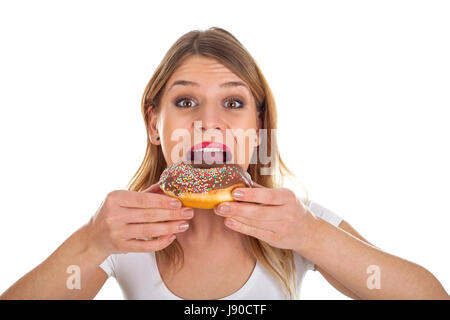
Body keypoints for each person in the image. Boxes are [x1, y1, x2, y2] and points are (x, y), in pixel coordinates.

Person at [1, 27, 448, 300]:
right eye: (187, 101)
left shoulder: (295, 224)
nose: (208, 122)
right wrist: (92, 242)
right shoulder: (123, 234)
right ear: (155, 124)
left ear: (258, 128)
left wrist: (311, 235)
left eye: (233, 102)